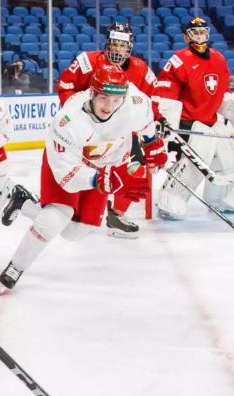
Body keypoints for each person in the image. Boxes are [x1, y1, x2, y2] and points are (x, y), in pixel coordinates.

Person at [0, 65, 167, 289]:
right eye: (104, 98)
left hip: (105, 165)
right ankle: (16, 266)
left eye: (116, 100)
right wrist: (99, 179)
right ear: (93, 93)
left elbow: (146, 122)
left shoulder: (135, 103)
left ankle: (23, 201)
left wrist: (153, 144)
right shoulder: (68, 120)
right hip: (68, 163)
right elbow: (67, 174)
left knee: (76, 232)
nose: (109, 106)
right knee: (54, 219)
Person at [56, 22, 162, 238]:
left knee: (134, 170)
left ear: (130, 47)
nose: (117, 50)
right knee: (80, 170)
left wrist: (157, 120)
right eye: (114, 44)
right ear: (107, 44)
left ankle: (116, 215)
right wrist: (78, 118)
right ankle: (67, 208)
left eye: (122, 46)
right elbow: (65, 85)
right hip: (87, 130)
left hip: (121, 133)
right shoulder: (87, 61)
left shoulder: (141, 69)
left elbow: (151, 100)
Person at [154, 17, 234, 220]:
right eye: (195, 33)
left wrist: (229, 107)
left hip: (213, 121)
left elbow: (222, 90)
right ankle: (170, 198)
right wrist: (165, 121)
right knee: (196, 163)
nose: (200, 36)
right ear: (186, 36)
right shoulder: (179, 60)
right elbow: (165, 92)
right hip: (189, 123)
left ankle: (221, 198)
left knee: (229, 159)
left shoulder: (218, 58)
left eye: (202, 32)